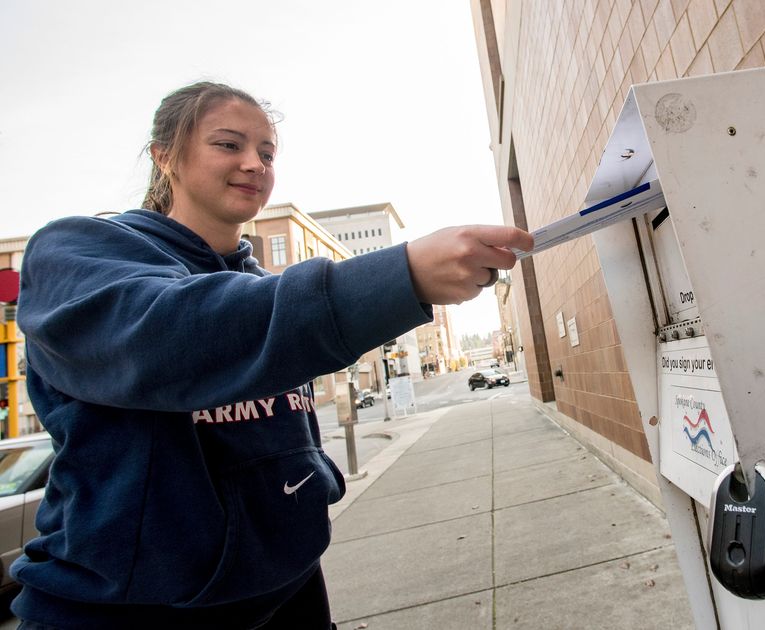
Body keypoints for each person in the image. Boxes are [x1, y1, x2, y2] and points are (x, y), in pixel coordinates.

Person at [11, 81, 533, 629]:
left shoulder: (262, 286)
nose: (254, 164)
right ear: (165, 155)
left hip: (288, 590)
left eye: (266, 152)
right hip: (125, 612)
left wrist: (311, 489)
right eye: (229, 144)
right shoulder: (77, 253)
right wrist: (398, 277)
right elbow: (177, 333)